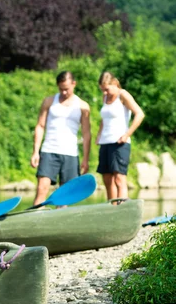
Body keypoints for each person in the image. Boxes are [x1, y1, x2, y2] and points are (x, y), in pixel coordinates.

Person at [30, 71, 91, 206]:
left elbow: (86, 134)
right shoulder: (49, 101)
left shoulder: (83, 106)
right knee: (42, 188)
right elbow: (40, 126)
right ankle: (34, 220)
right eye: (61, 89)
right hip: (49, 150)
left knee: (65, 195)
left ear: (74, 84)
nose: (63, 92)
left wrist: (85, 159)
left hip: (70, 153)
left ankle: (60, 223)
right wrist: (35, 151)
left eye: (66, 89)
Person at [96, 71, 144, 201]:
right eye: (102, 90)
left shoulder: (123, 95)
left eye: (106, 89)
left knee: (119, 178)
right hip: (105, 142)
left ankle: (123, 209)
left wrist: (127, 134)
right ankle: (112, 209)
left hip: (119, 142)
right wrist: (99, 135)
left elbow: (139, 114)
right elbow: (104, 118)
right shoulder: (105, 98)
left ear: (114, 83)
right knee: (107, 178)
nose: (105, 93)